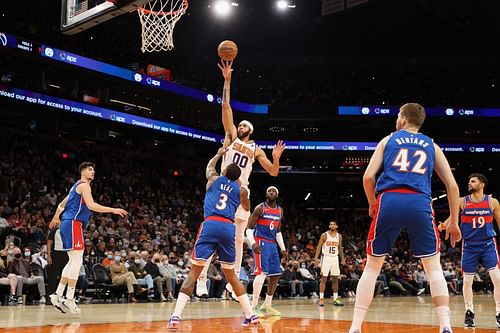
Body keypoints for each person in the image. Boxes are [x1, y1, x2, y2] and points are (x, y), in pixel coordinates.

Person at [348, 103, 461, 333]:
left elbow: (368, 177)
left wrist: (372, 203)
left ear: (401, 119)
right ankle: (445, 325)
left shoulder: (388, 140)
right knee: (434, 268)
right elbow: (452, 186)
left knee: (372, 267)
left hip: (389, 199)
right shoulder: (432, 145)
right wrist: (454, 221)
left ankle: (355, 326)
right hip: (420, 201)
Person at [196, 60, 286, 298]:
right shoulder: (231, 137)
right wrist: (227, 79)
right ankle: (202, 280)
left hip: (240, 192)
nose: (242, 125)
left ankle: (231, 283)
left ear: (251, 131)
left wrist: (276, 158)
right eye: (241, 123)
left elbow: (274, 173)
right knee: (211, 235)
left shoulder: (256, 149)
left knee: (237, 240)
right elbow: (225, 106)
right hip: (223, 187)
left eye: (246, 124)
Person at [168, 148, 259, 329]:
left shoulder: (214, 179)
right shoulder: (241, 190)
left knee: (194, 272)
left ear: (224, 172)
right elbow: (247, 207)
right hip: (228, 228)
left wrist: (218, 154)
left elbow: (209, 167)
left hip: (210, 224)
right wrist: (242, 186)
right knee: (232, 275)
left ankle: (175, 317)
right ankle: (251, 315)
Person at [48, 162, 127, 314]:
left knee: (73, 261)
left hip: (68, 224)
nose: (93, 172)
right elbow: (91, 206)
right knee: (77, 261)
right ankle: (69, 298)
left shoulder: (74, 187)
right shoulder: (84, 185)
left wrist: (56, 217)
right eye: (90, 169)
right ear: (82, 172)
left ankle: (57, 295)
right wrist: (113, 210)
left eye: (94, 170)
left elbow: (61, 204)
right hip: (73, 224)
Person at [438, 173, 500, 328]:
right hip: (470, 245)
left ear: (482, 184)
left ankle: (499, 312)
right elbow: (453, 218)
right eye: (469, 181)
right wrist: (445, 225)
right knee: (467, 280)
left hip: (488, 244)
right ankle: (469, 312)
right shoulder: (461, 202)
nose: (469, 183)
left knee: (497, 278)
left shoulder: (492, 202)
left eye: (473, 181)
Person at [246, 186, 287, 316]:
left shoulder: (280, 211)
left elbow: (278, 231)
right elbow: (249, 228)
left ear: (277, 194)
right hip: (260, 241)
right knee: (262, 273)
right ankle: (253, 307)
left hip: (272, 244)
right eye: (269, 190)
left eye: (273, 190)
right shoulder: (260, 208)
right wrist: (253, 243)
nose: (271, 192)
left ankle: (267, 305)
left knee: (275, 274)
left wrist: (283, 248)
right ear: (266, 194)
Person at [314, 220, 344, 307]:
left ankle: (335, 299)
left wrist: (342, 258)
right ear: (329, 226)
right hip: (326, 258)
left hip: (335, 258)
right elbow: (319, 247)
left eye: (334, 224)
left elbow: (340, 248)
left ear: (336, 226)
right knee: (324, 278)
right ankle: (321, 299)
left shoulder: (339, 236)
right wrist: (316, 259)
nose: (332, 225)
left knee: (335, 279)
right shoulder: (324, 235)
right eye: (330, 224)